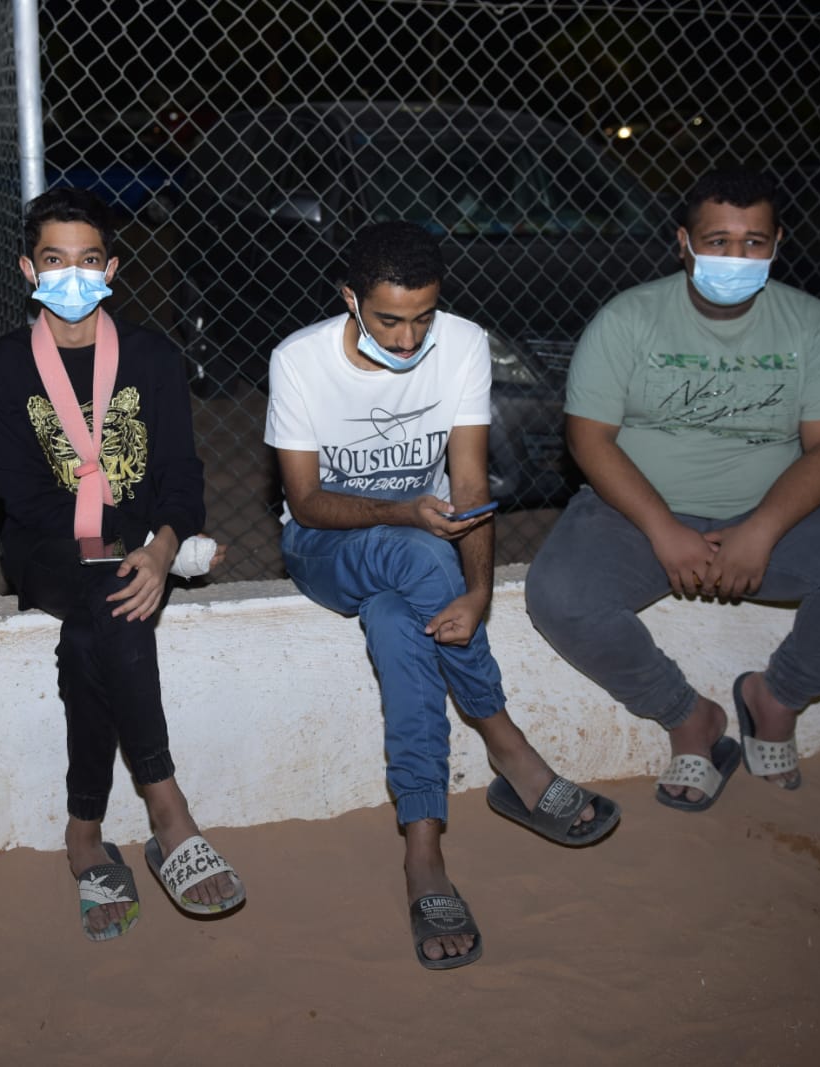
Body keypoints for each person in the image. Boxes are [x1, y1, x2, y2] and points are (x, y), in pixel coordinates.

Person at [265, 220, 620, 971]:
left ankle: (423, 849)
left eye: (422, 317)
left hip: (418, 552)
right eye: (389, 319)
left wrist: (480, 591)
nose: (407, 339)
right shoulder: (300, 360)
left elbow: (468, 483)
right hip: (325, 546)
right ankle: (509, 746)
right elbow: (307, 500)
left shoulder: (460, 344)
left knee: (400, 624)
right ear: (350, 299)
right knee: (423, 552)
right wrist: (404, 514)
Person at [525, 164, 820, 812]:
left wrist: (761, 530)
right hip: (638, 514)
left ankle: (777, 698)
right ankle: (690, 718)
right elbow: (589, 439)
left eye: (753, 242)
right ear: (684, 243)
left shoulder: (811, 324)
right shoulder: (628, 318)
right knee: (560, 594)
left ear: (777, 243)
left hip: (772, 516)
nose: (735, 258)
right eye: (717, 241)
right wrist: (663, 529)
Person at [0, 188, 243, 942]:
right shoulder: (3, 367)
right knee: (113, 590)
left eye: (88, 260)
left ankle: (85, 834)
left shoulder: (151, 356)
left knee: (97, 632)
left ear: (112, 269)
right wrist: (144, 551)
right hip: (47, 550)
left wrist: (164, 545)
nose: (72, 275)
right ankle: (168, 807)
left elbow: (182, 473)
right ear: (29, 269)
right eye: (54, 260)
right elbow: (24, 500)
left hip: (137, 550)